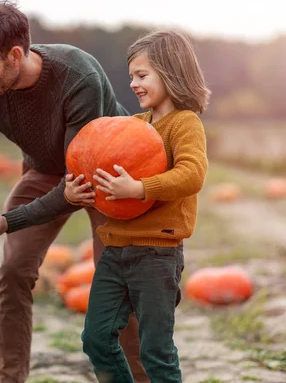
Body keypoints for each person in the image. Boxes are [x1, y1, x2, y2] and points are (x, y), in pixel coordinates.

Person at [0, 0, 149, 383]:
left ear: (15, 55)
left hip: (108, 176)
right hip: (45, 170)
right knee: (13, 270)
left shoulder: (77, 76)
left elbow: (78, 182)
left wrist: (7, 221)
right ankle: (10, 378)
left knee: (118, 280)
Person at [65, 30, 210, 382]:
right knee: (96, 339)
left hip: (157, 254)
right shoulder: (131, 126)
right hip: (116, 250)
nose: (133, 83)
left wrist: (140, 188)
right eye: (131, 76)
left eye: (142, 75)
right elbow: (99, 163)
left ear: (171, 72)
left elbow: (192, 174)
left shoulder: (184, 124)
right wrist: (76, 191)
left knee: (155, 350)